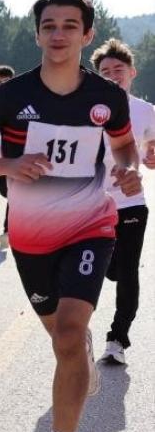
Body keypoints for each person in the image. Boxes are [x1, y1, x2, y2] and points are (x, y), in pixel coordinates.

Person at [0, 0, 142, 432]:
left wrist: (126, 170)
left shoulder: (106, 97)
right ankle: (79, 354)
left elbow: (124, 147)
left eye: (69, 25)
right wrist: (9, 164)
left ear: (87, 35)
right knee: (63, 339)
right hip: (31, 237)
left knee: (68, 331)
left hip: (90, 225)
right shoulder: (8, 97)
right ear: (38, 34)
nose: (58, 34)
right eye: (49, 26)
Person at [90, 38, 155, 364]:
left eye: (119, 69)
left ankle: (117, 339)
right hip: (90, 204)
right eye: (105, 71)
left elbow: (152, 150)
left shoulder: (145, 111)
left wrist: (152, 157)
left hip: (130, 202)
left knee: (127, 272)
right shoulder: (85, 109)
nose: (113, 75)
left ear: (132, 73)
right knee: (107, 269)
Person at [0, 64, 15, 248]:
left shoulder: (20, 102)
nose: (2, 85)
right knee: (5, 193)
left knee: (14, 194)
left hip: (14, 160)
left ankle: (8, 231)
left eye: (6, 81)